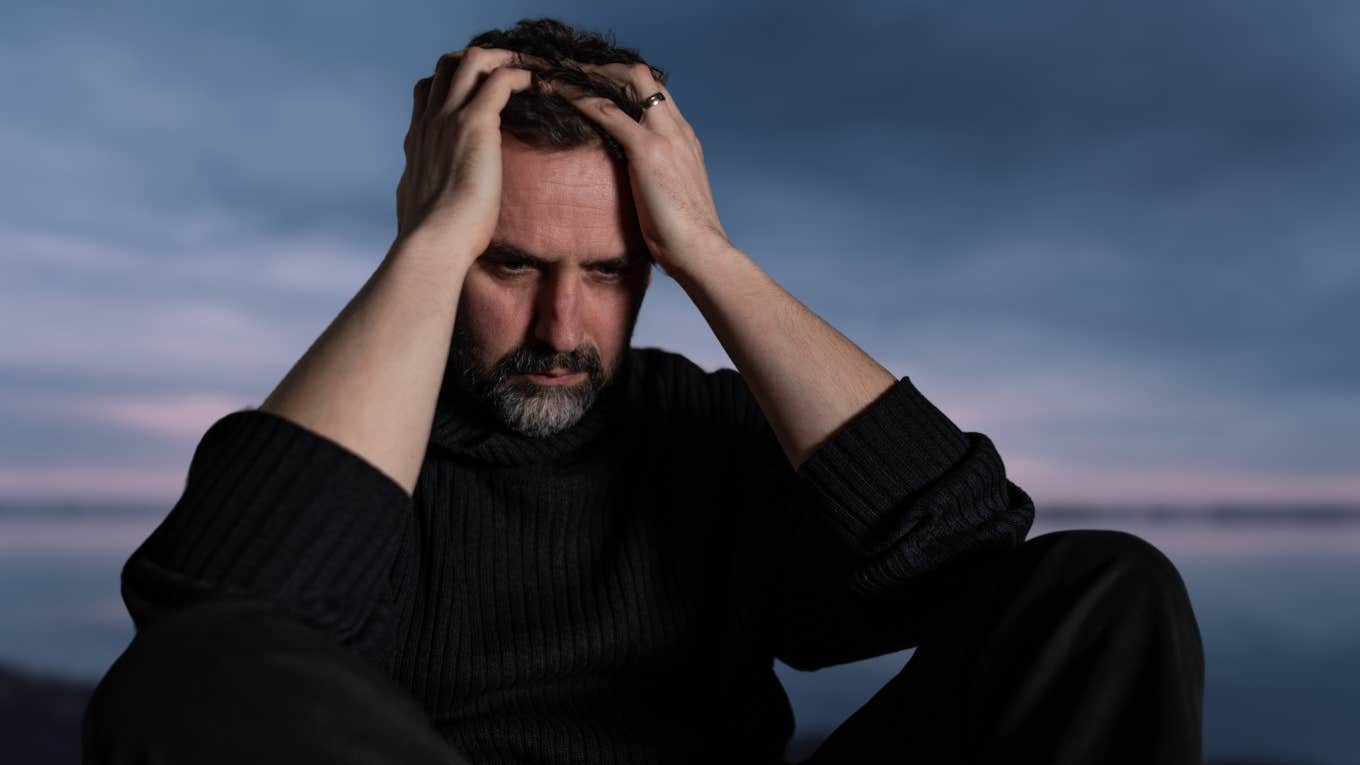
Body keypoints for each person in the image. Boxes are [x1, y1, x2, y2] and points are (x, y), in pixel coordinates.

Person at [81, 17, 1204, 765]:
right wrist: (429, 242)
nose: (563, 329)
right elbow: (209, 655)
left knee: (1106, 586)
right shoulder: (328, 448)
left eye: (613, 272)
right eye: (508, 263)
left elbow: (972, 553)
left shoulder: (703, 432)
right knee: (201, 666)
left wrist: (709, 253)